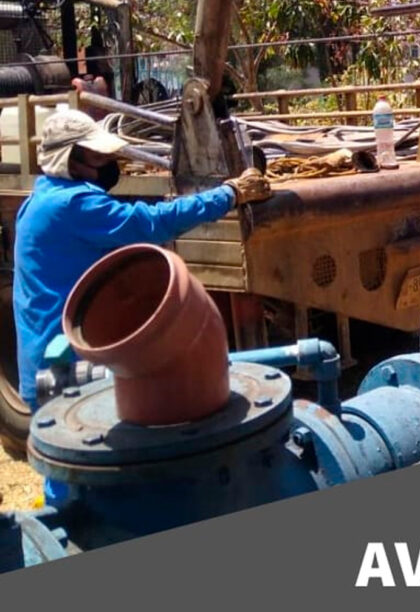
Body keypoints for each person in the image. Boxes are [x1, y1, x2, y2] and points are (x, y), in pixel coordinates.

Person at [13, 110, 272, 414]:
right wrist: (229, 194)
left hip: (44, 359)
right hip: (68, 368)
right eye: (97, 157)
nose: (109, 163)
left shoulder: (40, 198)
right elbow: (152, 223)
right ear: (70, 160)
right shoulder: (74, 205)